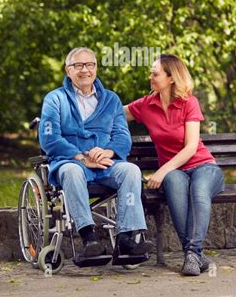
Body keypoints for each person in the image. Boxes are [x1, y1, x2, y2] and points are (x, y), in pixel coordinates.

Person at [39, 47, 152, 261]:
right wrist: (82, 157)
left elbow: (122, 136)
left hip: (105, 163)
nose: (85, 70)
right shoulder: (55, 99)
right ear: (68, 70)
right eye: (78, 65)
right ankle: (88, 237)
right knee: (72, 171)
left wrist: (107, 150)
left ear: (96, 68)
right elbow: (50, 138)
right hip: (71, 161)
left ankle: (126, 237)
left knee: (131, 171)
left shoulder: (111, 99)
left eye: (89, 64)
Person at [124, 54, 224, 276]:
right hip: (175, 172)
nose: (150, 77)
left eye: (155, 73)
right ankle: (194, 255)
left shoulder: (189, 102)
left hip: (203, 166)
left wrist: (161, 170)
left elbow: (190, 147)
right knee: (175, 185)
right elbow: (112, 114)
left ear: (171, 77)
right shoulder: (146, 105)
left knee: (198, 192)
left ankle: (191, 254)